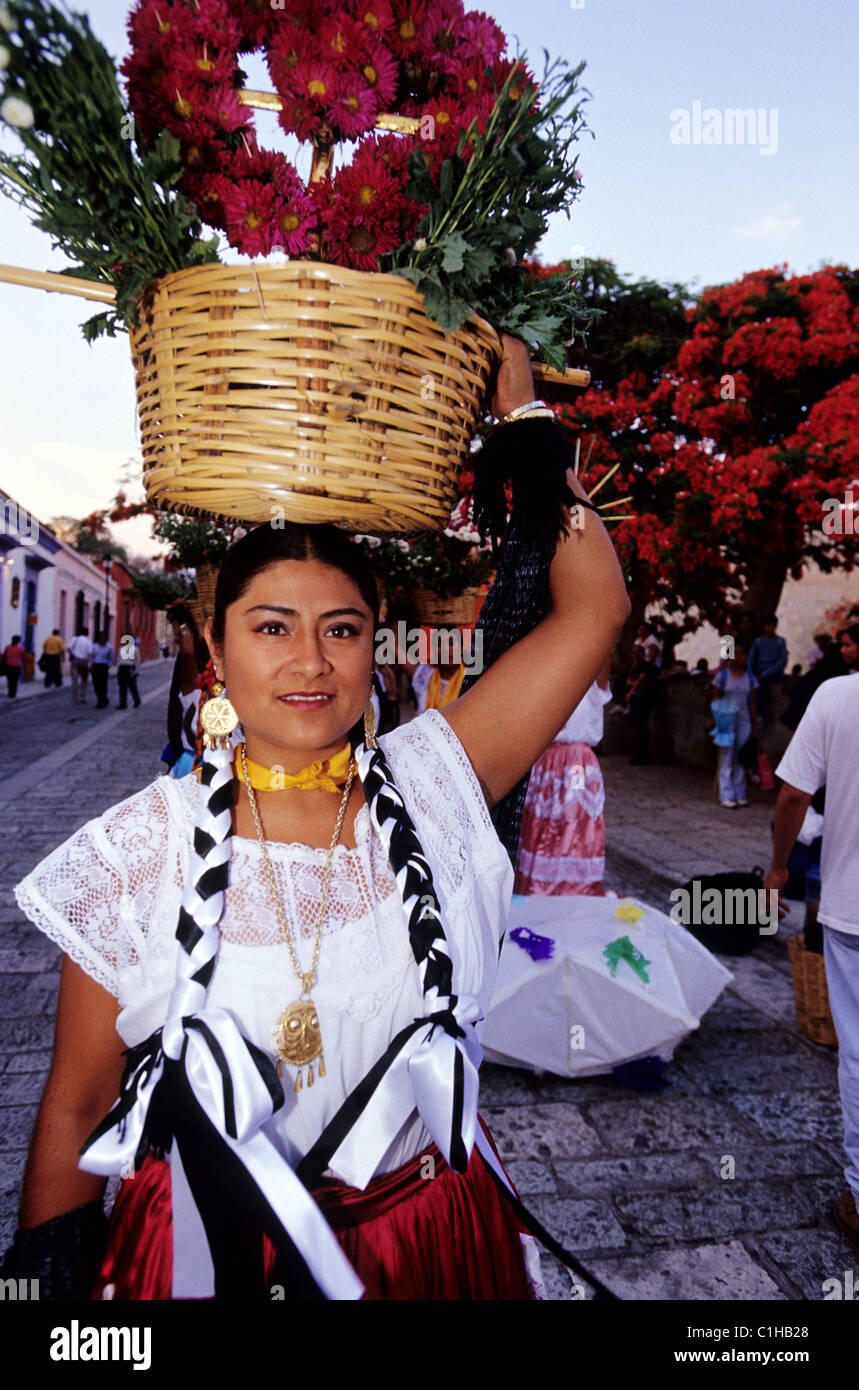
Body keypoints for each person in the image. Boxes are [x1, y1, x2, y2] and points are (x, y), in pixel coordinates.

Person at [3, 335, 630, 1301]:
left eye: (340, 628)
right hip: (208, 1257)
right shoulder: (134, 852)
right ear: (213, 642)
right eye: (271, 627)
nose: (310, 662)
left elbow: (593, 609)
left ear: (374, 645)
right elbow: (77, 1101)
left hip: (430, 1243)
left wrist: (522, 416)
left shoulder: (436, 780)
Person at [763, 626, 859, 1248]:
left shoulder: (836, 698)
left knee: (858, 1052)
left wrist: (776, 867)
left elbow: (793, 795)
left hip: (853, 908)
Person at [514, 659, 612, 896]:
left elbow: (607, 643)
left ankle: (574, 889)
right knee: (540, 822)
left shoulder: (592, 681)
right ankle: (539, 887)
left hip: (576, 765)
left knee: (573, 821)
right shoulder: (546, 680)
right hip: (545, 762)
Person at [709, 641, 759, 808]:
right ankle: (726, 794)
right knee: (727, 757)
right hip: (726, 720)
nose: (739, 657)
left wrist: (755, 726)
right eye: (736, 653)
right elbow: (715, 698)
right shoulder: (722, 677)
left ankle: (740, 793)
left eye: (742, 653)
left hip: (744, 721)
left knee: (741, 757)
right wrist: (717, 719)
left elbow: (753, 703)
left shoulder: (750, 679)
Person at [748, 612, 787, 721]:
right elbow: (750, 659)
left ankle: (760, 715)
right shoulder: (758, 641)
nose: (769, 628)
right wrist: (751, 674)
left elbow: (782, 660)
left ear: (775, 626)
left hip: (773, 673)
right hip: (759, 672)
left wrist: (766, 673)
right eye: (767, 625)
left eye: (772, 625)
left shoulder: (780, 641)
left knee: (759, 685)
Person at [67, 627, 92, 705]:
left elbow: (68, 648)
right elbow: (89, 654)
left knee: (75, 681)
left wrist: (72, 654)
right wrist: (89, 664)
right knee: (84, 681)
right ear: (87, 633)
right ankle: (83, 697)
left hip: (75, 660)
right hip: (84, 661)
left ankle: (75, 699)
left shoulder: (74, 639)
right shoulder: (88, 641)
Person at [116, 634, 142, 710]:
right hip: (122, 668)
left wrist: (137, 671)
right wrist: (118, 670)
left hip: (130, 668)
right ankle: (122, 703)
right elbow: (118, 659)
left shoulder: (135, 649)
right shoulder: (121, 649)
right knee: (122, 687)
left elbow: (138, 660)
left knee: (132, 686)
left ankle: (137, 701)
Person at [89, 631, 114, 709]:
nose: (102, 639)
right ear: (98, 638)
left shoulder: (109, 647)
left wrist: (108, 666)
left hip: (103, 667)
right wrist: (91, 665)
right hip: (95, 666)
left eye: (103, 638)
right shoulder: (94, 646)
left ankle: (101, 701)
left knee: (103, 685)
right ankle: (104, 699)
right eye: (101, 637)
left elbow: (111, 659)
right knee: (96, 685)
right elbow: (92, 656)